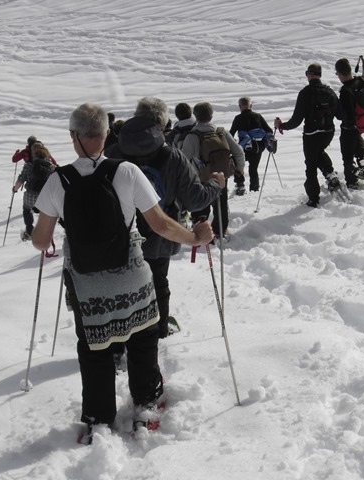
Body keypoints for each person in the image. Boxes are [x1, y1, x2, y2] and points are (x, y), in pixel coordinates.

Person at [31, 102, 214, 434]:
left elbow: (41, 242)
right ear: (105, 133)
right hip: (132, 274)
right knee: (143, 339)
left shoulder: (59, 181)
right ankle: (145, 405)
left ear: (74, 136)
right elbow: (159, 225)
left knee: (94, 349)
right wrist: (194, 237)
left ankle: (98, 419)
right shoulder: (127, 171)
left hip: (87, 284)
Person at [107, 96, 224, 338]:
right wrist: (215, 184)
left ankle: (119, 340)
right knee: (158, 281)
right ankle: (159, 329)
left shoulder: (112, 153)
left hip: (120, 233)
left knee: (122, 285)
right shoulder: (172, 156)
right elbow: (194, 199)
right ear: (160, 125)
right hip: (161, 233)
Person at [275, 63, 341, 208]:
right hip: (328, 133)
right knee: (319, 153)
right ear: (320, 75)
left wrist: (282, 126)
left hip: (311, 135)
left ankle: (313, 198)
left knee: (311, 165)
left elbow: (296, 120)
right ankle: (330, 175)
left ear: (309, 75)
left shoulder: (305, 93)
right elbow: (340, 114)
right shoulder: (330, 92)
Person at [181, 102, 245, 239]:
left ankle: (200, 234)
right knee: (221, 203)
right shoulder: (221, 132)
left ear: (196, 116)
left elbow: (184, 160)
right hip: (221, 175)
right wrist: (240, 169)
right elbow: (239, 151)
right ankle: (220, 231)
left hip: (200, 177)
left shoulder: (192, 136)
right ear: (211, 115)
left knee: (200, 205)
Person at [334, 58, 364, 189]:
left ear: (340, 73)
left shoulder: (345, 91)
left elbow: (343, 115)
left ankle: (352, 182)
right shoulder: (360, 81)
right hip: (360, 125)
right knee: (360, 150)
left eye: (337, 73)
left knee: (348, 156)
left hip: (349, 127)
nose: (337, 76)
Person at [13, 141, 56, 241]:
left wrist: (15, 189)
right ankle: (45, 232)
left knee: (27, 210)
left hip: (30, 196)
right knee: (45, 213)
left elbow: (21, 180)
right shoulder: (50, 165)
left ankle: (29, 231)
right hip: (45, 197)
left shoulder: (29, 165)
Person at [229, 96, 274, 193]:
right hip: (258, 147)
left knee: (238, 166)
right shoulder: (258, 116)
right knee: (253, 168)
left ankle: (240, 185)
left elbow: (231, 134)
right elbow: (269, 131)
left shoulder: (238, 118)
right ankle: (254, 188)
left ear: (240, 106)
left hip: (243, 148)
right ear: (251, 105)